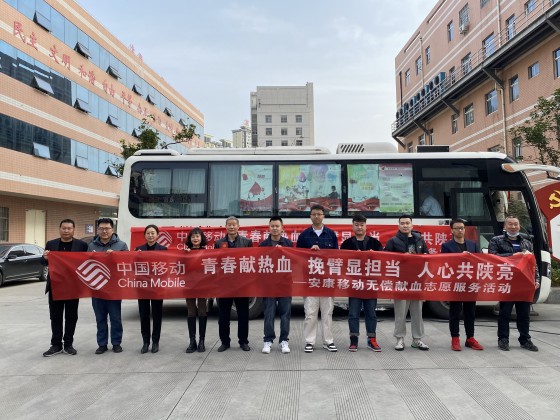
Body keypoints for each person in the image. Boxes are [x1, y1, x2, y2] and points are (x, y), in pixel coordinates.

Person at [488, 215, 540, 352]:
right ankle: (503, 339)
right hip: (506, 283)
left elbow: (533, 263)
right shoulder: (496, 240)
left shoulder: (526, 242)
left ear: (519, 226)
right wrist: (513, 256)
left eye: (515, 224)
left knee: (524, 314)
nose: (513, 226)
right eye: (510, 224)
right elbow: (492, 258)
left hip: (524, 284)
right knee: (505, 313)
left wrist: (536, 279)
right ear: (505, 226)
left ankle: (525, 339)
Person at [42, 219, 89, 357]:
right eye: (64, 228)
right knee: (55, 317)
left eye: (69, 228)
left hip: (73, 287)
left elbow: (88, 262)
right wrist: (45, 258)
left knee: (71, 317)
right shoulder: (51, 244)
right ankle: (56, 345)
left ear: (73, 230)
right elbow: (43, 262)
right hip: (55, 287)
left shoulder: (81, 245)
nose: (66, 231)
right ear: (59, 229)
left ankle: (68, 344)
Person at [296, 204, 339, 353]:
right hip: (310, 280)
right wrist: (310, 252)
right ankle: (310, 341)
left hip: (327, 280)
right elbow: (298, 257)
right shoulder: (304, 235)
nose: (316, 216)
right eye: (314, 214)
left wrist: (323, 253)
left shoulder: (331, 234)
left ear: (323, 216)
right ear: (310, 216)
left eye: (319, 214)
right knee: (310, 313)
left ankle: (328, 341)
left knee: (327, 313)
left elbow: (336, 257)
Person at [384, 215, 429, 351]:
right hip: (400, 281)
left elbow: (427, 256)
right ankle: (399, 339)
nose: (405, 225)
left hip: (417, 281)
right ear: (398, 225)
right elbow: (385, 259)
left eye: (407, 223)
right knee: (400, 313)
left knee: (417, 312)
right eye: (402, 223)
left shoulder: (420, 240)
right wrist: (402, 258)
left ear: (412, 225)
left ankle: (417, 339)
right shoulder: (393, 241)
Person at [340, 214, 383, 352]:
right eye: (357, 225)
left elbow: (383, 261)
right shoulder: (346, 244)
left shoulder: (375, 243)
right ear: (352, 226)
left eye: (362, 225)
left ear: (366, 226)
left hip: (371, 284)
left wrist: (374, 255)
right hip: (354, 284)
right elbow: (341, 263)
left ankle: (372, 339)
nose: (359, 227)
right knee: (353, 313)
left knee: (371, 313)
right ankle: (354, 339)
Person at [441, 218, 484, 351]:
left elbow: (480, 260)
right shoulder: (446, 246)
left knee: (470, 312)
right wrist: (461, 256)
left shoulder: (473, 244)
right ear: (452, 230)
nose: (460, 230)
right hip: (455, 283)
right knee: (455, 312)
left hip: (470, 283)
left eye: (462, 228)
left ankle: (470, 338)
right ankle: (455, 338)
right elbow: (445, 263)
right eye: (457, 228)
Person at [88, 218, 128, 354]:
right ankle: (102, 344)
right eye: (101, 229)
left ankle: (116, 343)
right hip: (97, 288)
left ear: (112, 229)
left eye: (107, 228)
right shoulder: (91, 246)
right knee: (100, 318)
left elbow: (127, 263)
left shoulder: (121, 245)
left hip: (114, 288)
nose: (104, 231)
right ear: (97, 230)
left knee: (115, 318)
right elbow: (85, 264)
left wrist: (115, 256)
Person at [214, 216, 253, 352]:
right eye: (229, 225)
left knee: (243, 315)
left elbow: (250, 261)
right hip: (224, 286)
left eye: (233, 224)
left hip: (241, 285)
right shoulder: (219, 243)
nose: (231, 227)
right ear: (225, 227)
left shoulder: (247, 242)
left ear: (238, 226)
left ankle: (243, 341)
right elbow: (216, 262)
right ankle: (225, 342)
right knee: (223, 316)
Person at [259, 216, 294, 354]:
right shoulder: (263, 245)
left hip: (285, 284)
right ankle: (268, 340)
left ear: (282, 228)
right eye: (272, 226)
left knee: (285, 314)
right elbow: (259, 264)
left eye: (277, 226)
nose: (274, 228)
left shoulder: (288, 243)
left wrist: (283, 251)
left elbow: (294, 262)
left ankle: (284, 340)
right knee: (269, 314)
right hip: (269, 285)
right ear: (269, 227)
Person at [135, 224, 167, 354]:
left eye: (153, 233)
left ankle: (155, 341)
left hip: (157, 287)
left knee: (157, 315)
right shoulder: (138, 249)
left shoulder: (163, 249)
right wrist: (136, 256)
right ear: (144, 235)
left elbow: (167, 268)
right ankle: (145, 342)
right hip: (142, 287)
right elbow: (133, 267)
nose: (150, 235)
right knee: (144, 315)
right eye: (148, 233)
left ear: (157, 235)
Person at [184, 227, 209, 353]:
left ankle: (202, 341)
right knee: (191, 312)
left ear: (201, 238)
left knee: (202, 311)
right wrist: (185, 255)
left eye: (197, 236)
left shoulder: (207, 252)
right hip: (189, 286)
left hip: (202, 286)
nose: (195, 238)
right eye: (193, 236)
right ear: (190, 239)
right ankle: (192, 341)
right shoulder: (185, 252)